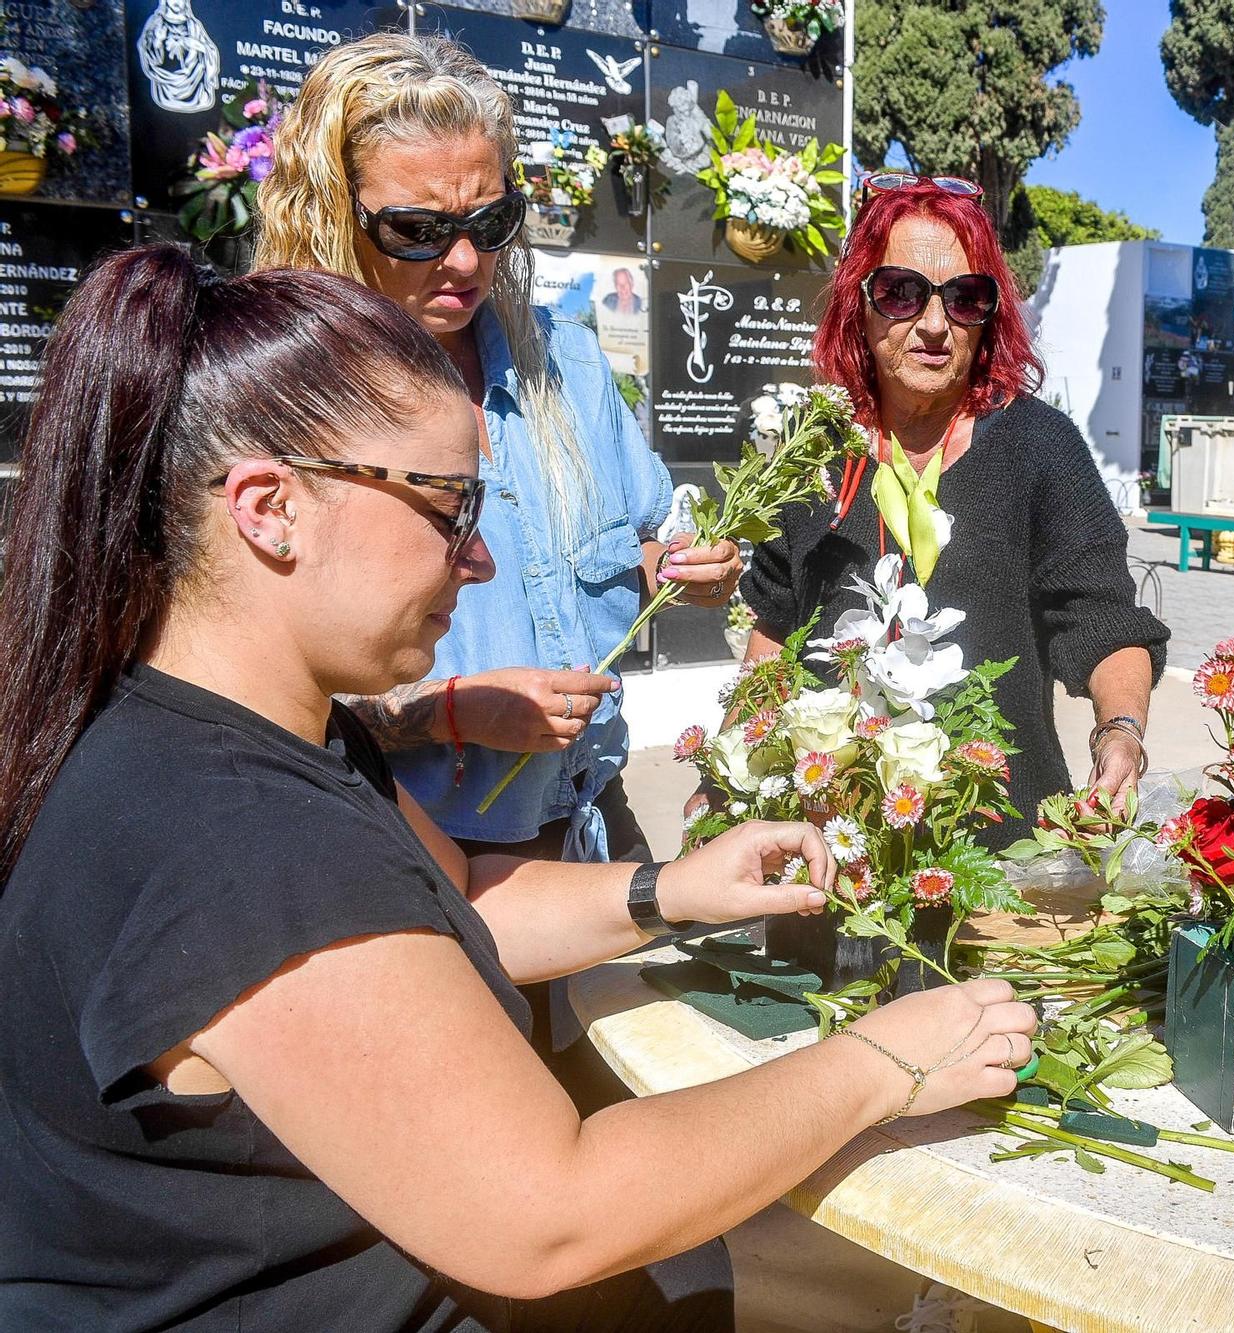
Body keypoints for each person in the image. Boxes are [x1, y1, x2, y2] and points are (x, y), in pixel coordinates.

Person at [0, 247, 1036, 1330]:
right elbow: (551, 1213)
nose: (478, 558)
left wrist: (670, 891)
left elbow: (464, 906)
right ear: (268, 507)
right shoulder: (234, 838)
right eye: (450, 508)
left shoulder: (266, 735)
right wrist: (883, 1059)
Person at [255, 32, 739, 868]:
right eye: (418, 229)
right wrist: (451, 710)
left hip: (596, 825)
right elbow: (256, 695)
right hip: (407, 846)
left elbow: (644, 541)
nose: (467, 259)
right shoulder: (291, 401)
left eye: (492, 220)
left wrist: (686, 571)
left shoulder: (571, 365)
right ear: (333, 211)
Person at [733, 174, 1169, 842]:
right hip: (832, 851)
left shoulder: (1039, 447)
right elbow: (771, 630)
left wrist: (1120, 734)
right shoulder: (809, 454)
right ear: (860, 302)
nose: (934, 324)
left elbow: (1104, 624)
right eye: (901, 292)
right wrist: (731, 775)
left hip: (1006, 854)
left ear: (989, 314)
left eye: (965, 298)